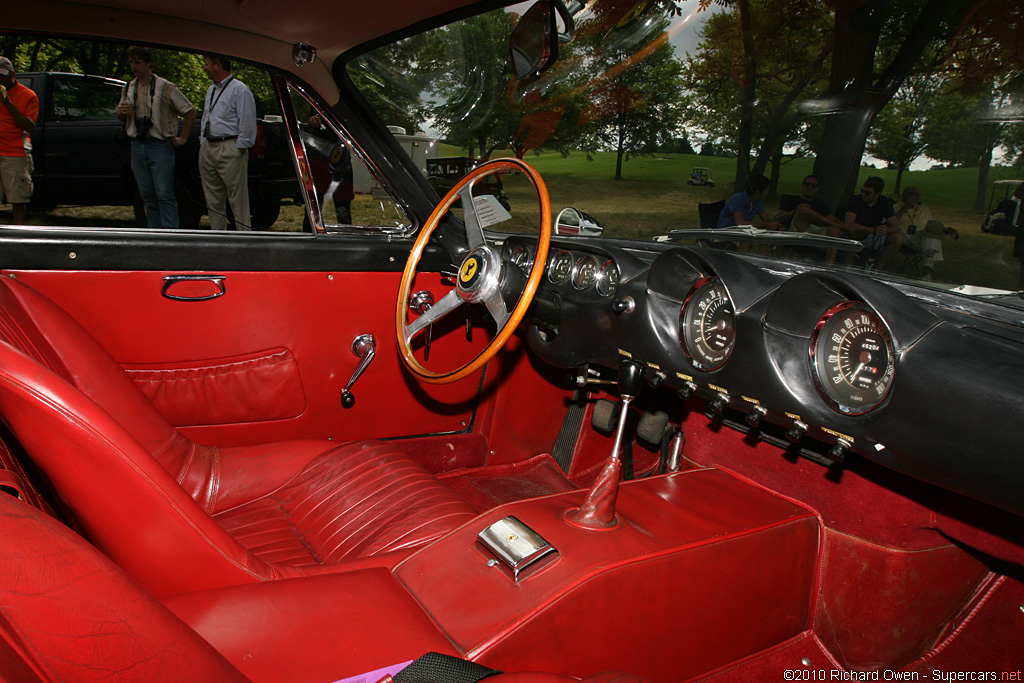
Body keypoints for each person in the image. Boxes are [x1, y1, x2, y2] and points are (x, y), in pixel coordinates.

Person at [115, 46, 196, 229]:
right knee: (146, 195)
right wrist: (121, 112)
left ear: (148, 63)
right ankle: (153, 232)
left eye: (138, 62)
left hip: (159, 145)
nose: (134, 66)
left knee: (164, 193)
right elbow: (122, 114)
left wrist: (182, 138)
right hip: (137, 144)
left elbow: (190, 111)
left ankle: (170, 233)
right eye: (131, 62)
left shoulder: (165, 87)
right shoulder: (129, 87)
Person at [198, 54, 257, 230]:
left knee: (237, 199)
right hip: (209, 146)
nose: (204, 68)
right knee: (213, 199)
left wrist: (239, 147)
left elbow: (247, 121)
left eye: (206, 64)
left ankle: (244, 236)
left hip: (229, 146)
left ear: (218, 65)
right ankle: (218, 237)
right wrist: (203, 141)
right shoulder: (211, 90)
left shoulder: (240, 90)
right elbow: (206, 117)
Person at [0, 56, 39, 225]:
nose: (0, 79)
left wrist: (8, 105)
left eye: (3, 75)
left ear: (12, 74)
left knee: (18, 198)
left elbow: (29, 125)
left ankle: (20, 233)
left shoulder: (27, 95)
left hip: (15, 152)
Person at [888, 186, 958, 280]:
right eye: (910, 193)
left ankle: (927, 267)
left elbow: (931, 226)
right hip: (903, 236)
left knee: (931, 235)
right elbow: (889, 223)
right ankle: (927, 269)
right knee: (931, 241)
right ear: (903, 196)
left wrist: (945, 230)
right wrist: (906, 208)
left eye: (916, 195)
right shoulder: (894, 207)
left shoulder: (923, 208)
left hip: (921, 236)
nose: (913, 196)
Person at [842, 176, 899, 267]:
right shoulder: (855, 200)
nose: (863, 194)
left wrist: (885, 229)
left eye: (868, 193)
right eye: (862, 191)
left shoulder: (884, 202)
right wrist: (873, 230)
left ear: (877, 194)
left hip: (875, 236)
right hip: (858, 233)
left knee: (898, 238)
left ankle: (878, 268)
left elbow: (895, 225)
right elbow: (849, 223)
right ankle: (847, 268)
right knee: (849, 235)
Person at [775, 174, 843, 237]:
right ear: (802, 185)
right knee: (804, 210)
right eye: (807, 185)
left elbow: (831, 217)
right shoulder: (790, 199)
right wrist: (795, 211)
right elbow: (779, 217)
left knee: (835, 229)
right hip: (795, 229)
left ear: (817, 189)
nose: (810, 188)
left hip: (815, 230)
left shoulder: (820, 204)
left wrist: (844, 225)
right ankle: (842, 226)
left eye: (813, 186)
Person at [716, 173, 782, 230]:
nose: (767, 192)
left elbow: (767, 220)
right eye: (766, 189)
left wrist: (774, 225)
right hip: (726, 233)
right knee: (747, 241)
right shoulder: (738, 198)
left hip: (742, 233)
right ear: (757, 191)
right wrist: (765, 225)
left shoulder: (758, 201)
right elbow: (740, 222)